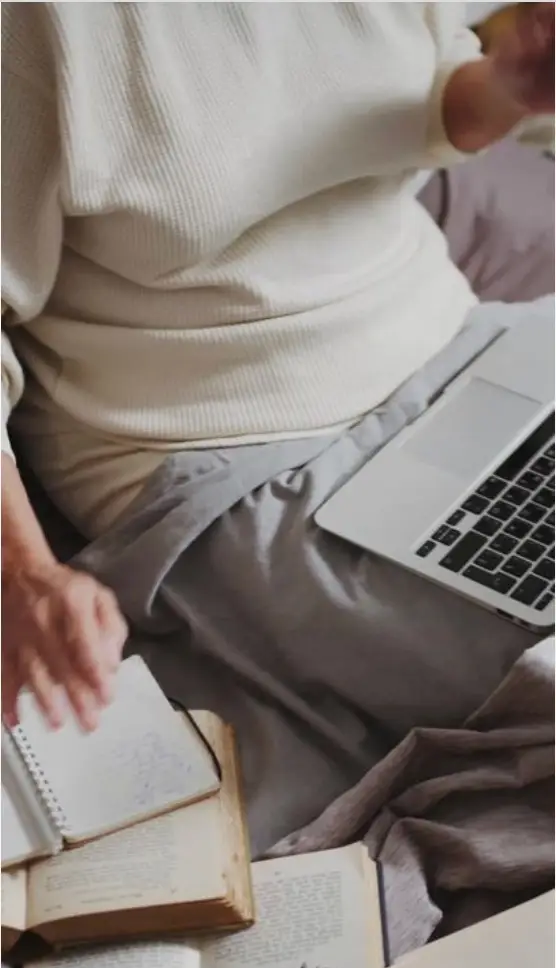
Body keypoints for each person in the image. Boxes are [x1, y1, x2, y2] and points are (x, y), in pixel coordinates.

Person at [2, 2, 554, 740]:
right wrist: (25, 570)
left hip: (464, 340)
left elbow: (426, 106)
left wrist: (512, 88)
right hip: (241, 459)